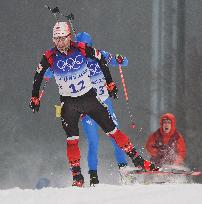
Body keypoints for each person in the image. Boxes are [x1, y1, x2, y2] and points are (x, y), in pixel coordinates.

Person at [30, 21, 158, 187]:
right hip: (69, 104)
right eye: (56, 39)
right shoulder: (50, 55)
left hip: (90, 99)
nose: (59, 43)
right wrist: (35, 97)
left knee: (113, 131)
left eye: (62, 39)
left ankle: (139, 161)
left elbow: (104, 60)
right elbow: (38, 75)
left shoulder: (82, 49)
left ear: (70, 38)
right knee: (75, 140)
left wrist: (111, 83)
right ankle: (78, 177)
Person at [76, 32, 130, 186]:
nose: (84, 50)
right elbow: (51, 71)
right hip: (87, 109)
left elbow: (124, 61)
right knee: (93, 142)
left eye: (86, 46)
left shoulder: (100, 55)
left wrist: (120, 58)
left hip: (105, 105)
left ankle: (125, 172)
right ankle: (93, 177)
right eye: (80, 47)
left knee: (116, 137)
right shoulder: (73, 61)